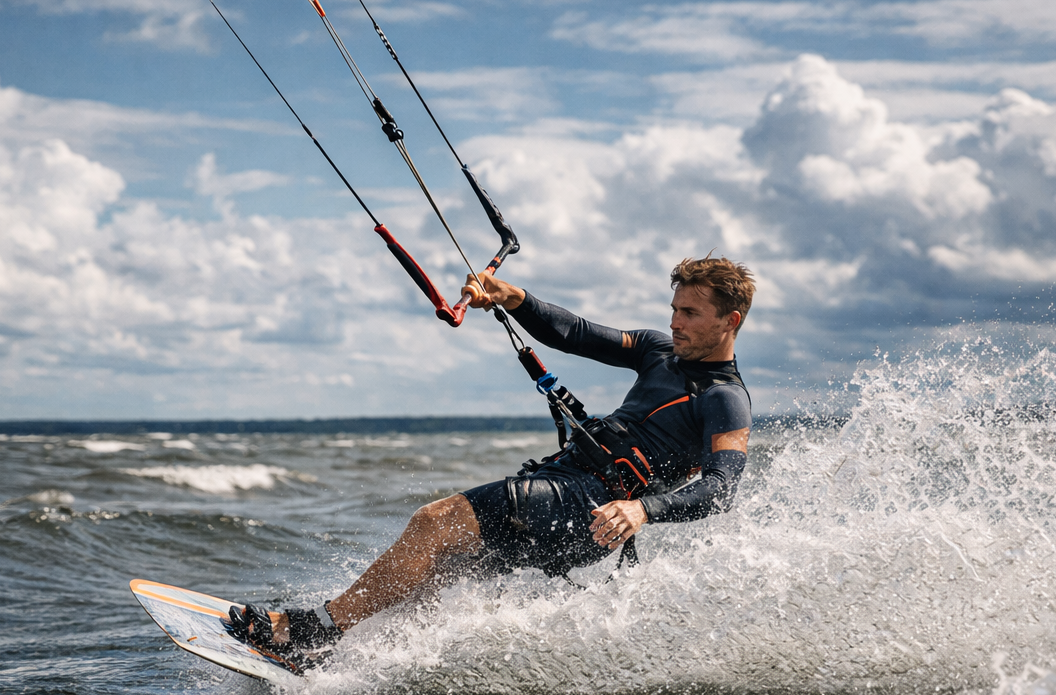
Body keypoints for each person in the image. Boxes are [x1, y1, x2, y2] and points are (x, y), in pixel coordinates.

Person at [229, 257, 755, 662]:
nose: (676, 321)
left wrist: (644, 511)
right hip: (562, 482)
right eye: (674, 309)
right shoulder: (657, 351)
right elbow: (572, 332)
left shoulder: (724, 398)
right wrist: (512, 296)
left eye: (690, 313)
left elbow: (723, 485)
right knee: (442, 566)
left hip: (591, 505)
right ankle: (349, 653)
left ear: (730, 321)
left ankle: (308, 631)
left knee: (435, 523)